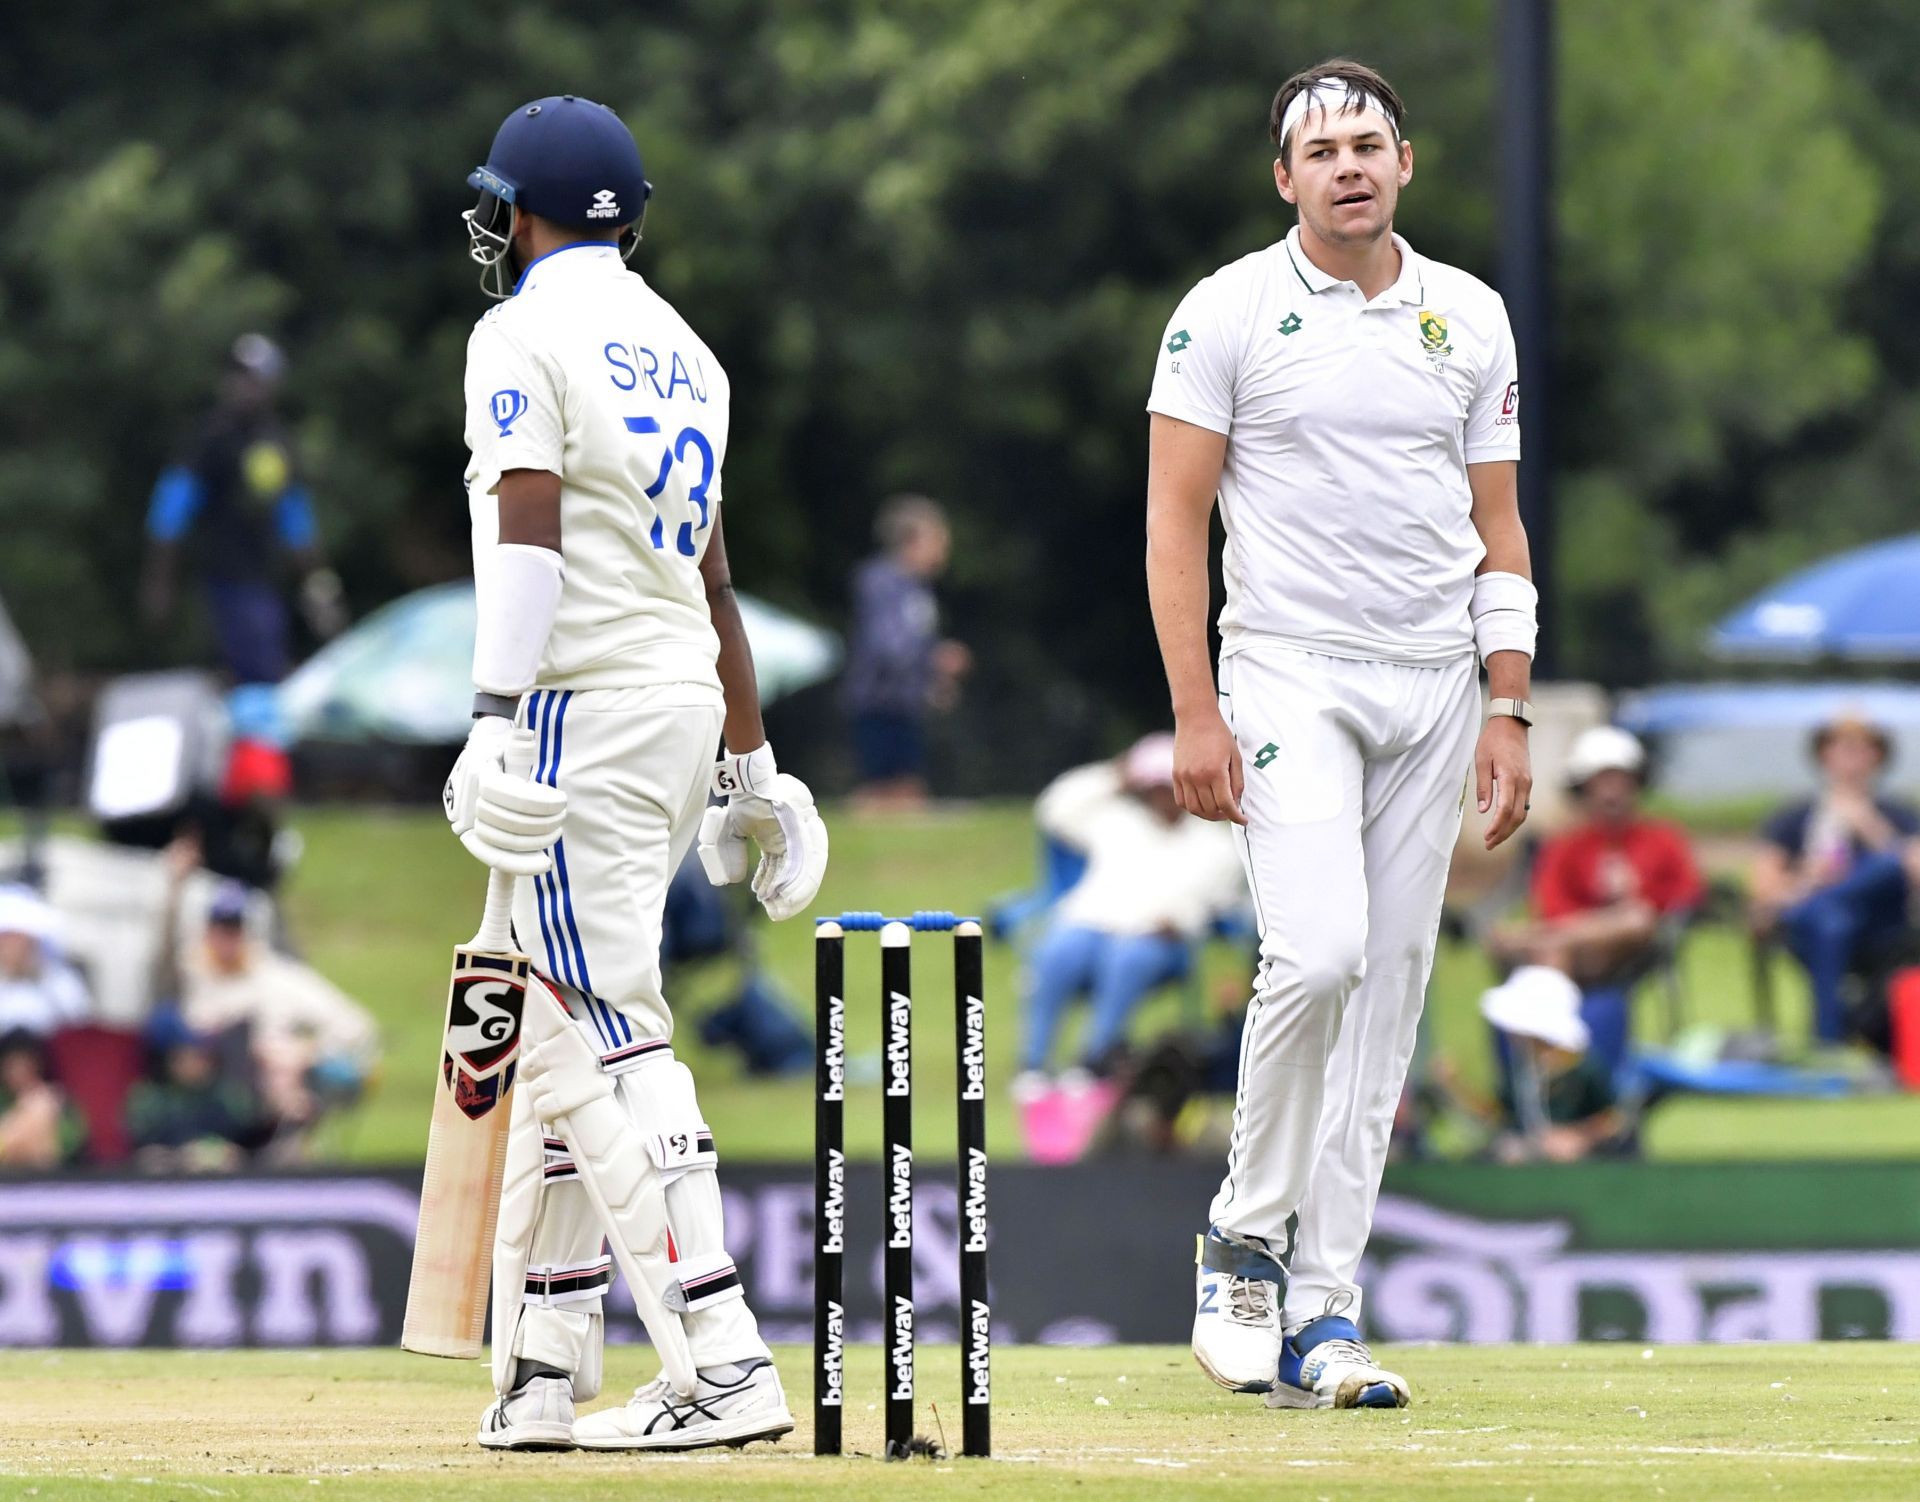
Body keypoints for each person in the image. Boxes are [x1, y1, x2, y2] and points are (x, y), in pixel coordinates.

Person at [1145, 59, 1536, 1409]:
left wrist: (1509, 701)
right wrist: (1195, 707)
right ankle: (1247, 1238)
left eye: (1368, 144)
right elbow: (1174, 520)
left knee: (1388, 1000)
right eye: (1321, 150)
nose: (1348, 166)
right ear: (1285, 178)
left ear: (1405, 163)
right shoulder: (1227, 313)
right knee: (1318, 954)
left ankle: (1325, 1311)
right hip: (1288, 671)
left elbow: (1499, 528)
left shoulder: (1469, 316)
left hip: (1435, 682)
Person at [446, 95, 828, 1452]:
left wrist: (494, 711)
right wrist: (750, 759)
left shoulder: (519, 331)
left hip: (581, 704)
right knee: (555, 1021)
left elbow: (529, 539)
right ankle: (546, 1366)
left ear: (526, 211)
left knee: (593, 1017)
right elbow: (716, 580)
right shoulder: (689, 351)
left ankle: (719, 1355)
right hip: (672, 702)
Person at [1013, 733, 1244, 1162]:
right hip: (1091, 932)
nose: (1163, 798)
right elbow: (1055, 808)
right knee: (1060, 948)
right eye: (1153, 787)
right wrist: (1114, 775)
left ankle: (1092, 1062)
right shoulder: (1116, 820)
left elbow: (1215, 902)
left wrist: (1179, 921)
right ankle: (1034, 1068)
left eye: (1169, 786)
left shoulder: (1214, 843)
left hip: (1159, 943)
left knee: (1128, 957)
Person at [1487, 726, 1703, 1078]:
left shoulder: (1664, 839)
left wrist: (1632, 900)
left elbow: (1688, 896)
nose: (1612, 792)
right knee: (1541, 941)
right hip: (1579, 954)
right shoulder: (1564, 846)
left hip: (1633, 948)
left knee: (1633, 919)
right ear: (1583, 789)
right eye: (1602, 782)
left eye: (1621, 781)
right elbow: (1552, 906)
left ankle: (1542, 949)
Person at [140, 333, 348, 684]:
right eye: (237, 376)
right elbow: (170, 512)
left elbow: (297, 524)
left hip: (266, 580)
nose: (243, 386)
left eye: (253, 378)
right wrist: (159, 581)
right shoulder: (210, 439)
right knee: (250, 668)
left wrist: (320, 591)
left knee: (266, 667)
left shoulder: (278, 443)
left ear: (272, 385)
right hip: (224, 579)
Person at [158, 873, 378, 1142]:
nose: (227, 938)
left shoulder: (276, 976)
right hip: (209, 1089)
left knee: (285, 1062)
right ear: (207, 930)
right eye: (220, 927)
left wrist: (306, 1052)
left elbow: (356, 1026)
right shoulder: (189, 972)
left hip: (269, 1091)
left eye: (235, 928)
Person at [1750, 713, 1920, 1044]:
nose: (1851, 760)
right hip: (1808, 924)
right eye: (1842, 749)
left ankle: (1826, 1038)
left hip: (1882, 929)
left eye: (1861, 750)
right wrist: (1809, 877)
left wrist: (1870, 827)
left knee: (1884, 865)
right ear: (1823, 756)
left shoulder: (1899, 815)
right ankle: (1830, 1039)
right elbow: (1763, 891)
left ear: (1878, 757)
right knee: (1831, 921)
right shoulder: (1794, 817)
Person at [841, 494, 971, 810]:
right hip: (879, 703)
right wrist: (935, 658)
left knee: (908, 789)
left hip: (903, 704)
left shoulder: (918, 588)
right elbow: (888, 646)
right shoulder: (881, 582)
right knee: (887, 791)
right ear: (912, 541)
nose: (943, 550)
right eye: (937, 540)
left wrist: (932, 682)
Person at [1474, 968, 1630, 1163]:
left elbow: (1613, 1120)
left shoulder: (1582, 1067)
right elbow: (1500, 1115)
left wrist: (1577, 1137)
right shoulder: (1519, 1068)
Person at [0, 884, 91, 1036]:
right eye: (5, 939)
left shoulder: (60, 983)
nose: (8, 947)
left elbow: (79, 1028)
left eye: (15, 938)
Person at [0, 1029, 87, 1167]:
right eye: (10, 1065)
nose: (16, 1073)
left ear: (37, 1065)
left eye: (23, 1064)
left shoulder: (49, 1101)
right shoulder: (5, 1101)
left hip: (47, 1181)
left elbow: (72, 1146)